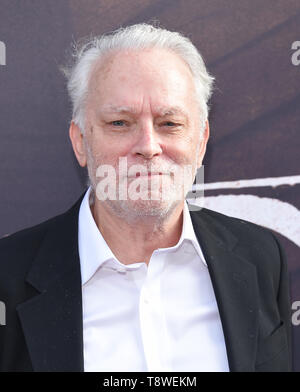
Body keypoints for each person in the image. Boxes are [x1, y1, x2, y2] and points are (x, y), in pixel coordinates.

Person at [0, 23, 292, 372]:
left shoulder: (260, 257)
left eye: (169, 123)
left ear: (200, 142)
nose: (148, 147)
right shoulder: (8, 276)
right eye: (120, 123)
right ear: (80, 141)